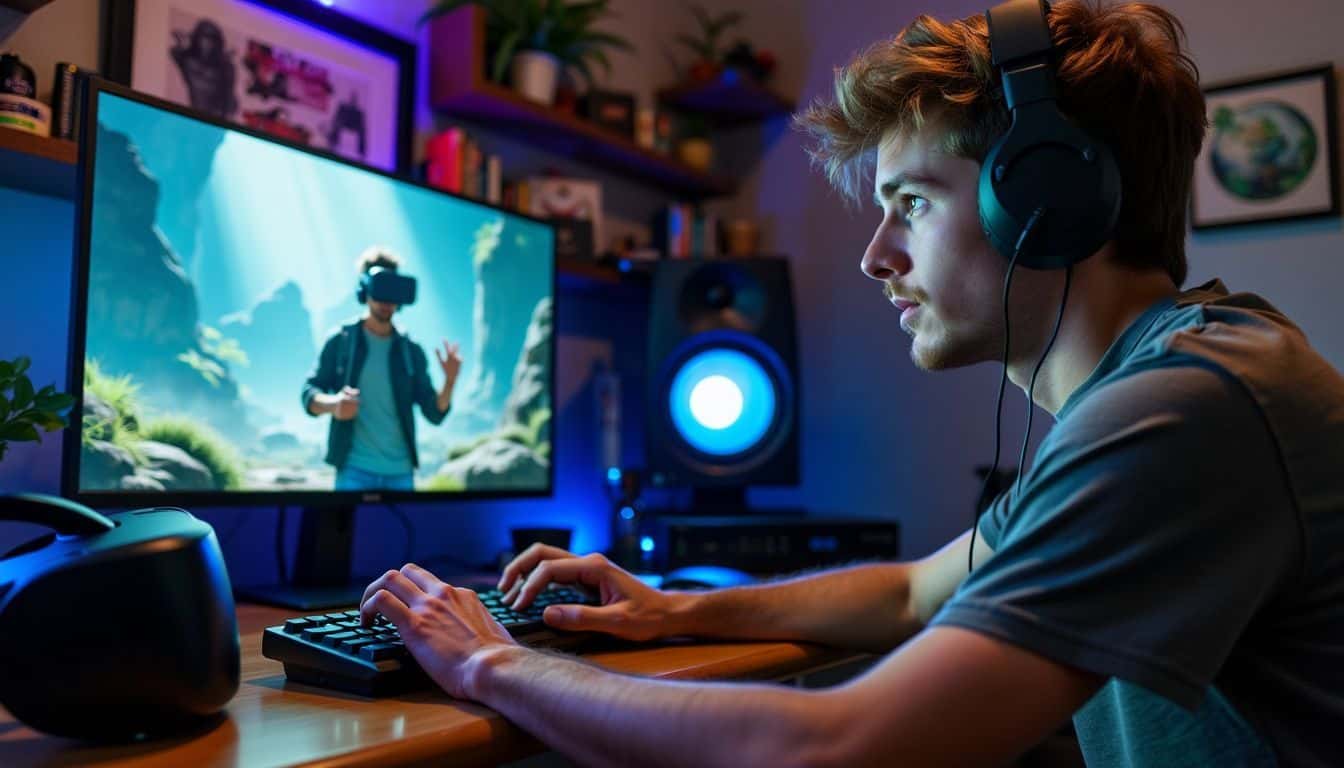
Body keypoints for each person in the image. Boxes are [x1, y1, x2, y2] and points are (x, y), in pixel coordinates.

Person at [355, 1, 1344, 765]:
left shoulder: (1188, 405)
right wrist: (671, 608)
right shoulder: (1168, 382)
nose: (876, 256)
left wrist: (490, 660)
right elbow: (919, 589)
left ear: (1049, 198)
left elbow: (846, 748)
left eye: (910, 203)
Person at [302, 247, 462, 491]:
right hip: (353, 470)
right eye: (380, 289)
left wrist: (449, 382)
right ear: (364, 291)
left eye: (393, 291)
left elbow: (434, 413)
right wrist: (334, 405)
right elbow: (309, 393)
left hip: (401, 473)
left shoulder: (411, 350)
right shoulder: (342, 341)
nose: (387, 302)